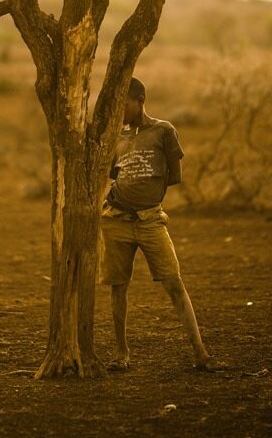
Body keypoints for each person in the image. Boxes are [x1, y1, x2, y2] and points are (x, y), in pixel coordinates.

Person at [100, 77, 223, 372]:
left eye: (124, 104)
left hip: (151, 220)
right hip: (116, 219)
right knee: (118, 287)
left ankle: (200, 352)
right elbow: (112, 174)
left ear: (140, 100)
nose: (120, 111)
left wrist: (147, 193)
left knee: (174, 283)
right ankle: (121, 353)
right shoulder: (116, 137)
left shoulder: (163, 131)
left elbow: (174, 175)